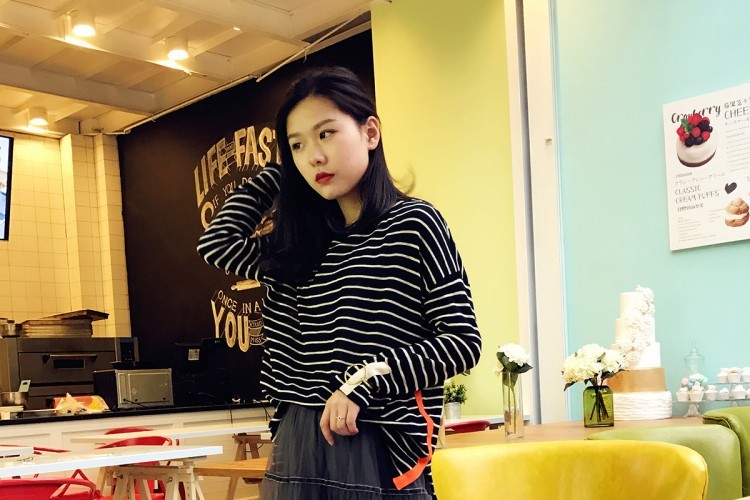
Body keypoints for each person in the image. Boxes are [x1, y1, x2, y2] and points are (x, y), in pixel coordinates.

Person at [198, 66, 481, 499]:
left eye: (326, 134)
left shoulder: (413, 224)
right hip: (301, 439)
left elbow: (461, 341)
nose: (313, 156)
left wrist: (361, 383)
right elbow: (217, 243)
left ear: (370, 132)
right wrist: (279, 175)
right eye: (297, 145)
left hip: (379, 438)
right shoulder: (297, 244)